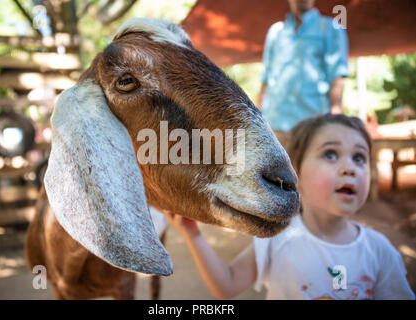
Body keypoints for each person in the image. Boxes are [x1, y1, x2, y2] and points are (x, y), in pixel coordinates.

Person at [164, 114, 415, 300]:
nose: (349, 167)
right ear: (296, 174)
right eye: (330, 154)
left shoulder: (380, 252)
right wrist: (192, 234)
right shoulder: (278, 238)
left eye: (359, 157)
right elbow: (227, 285)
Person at [257, 0, 349, 144]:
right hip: (273, 125)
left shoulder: (330, 28)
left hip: (312, 126)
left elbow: (337, 77)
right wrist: (257, 119)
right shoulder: (276, 32)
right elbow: (266, 79)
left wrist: (335, 122)